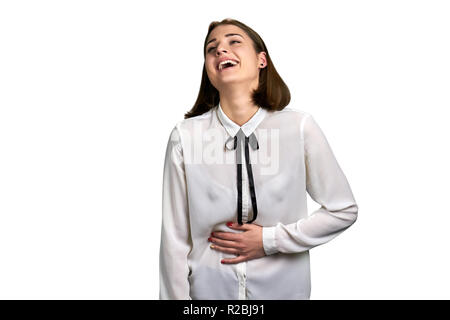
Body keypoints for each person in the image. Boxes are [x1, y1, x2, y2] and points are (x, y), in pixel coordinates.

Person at [159, 18, 358, 300]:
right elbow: (174, 241)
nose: (220, 50)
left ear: (261, 59)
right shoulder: (185, 136)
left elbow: (343, 210)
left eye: (234, 41)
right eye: (211, 48)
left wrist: (270, 241)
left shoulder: (299, 128)